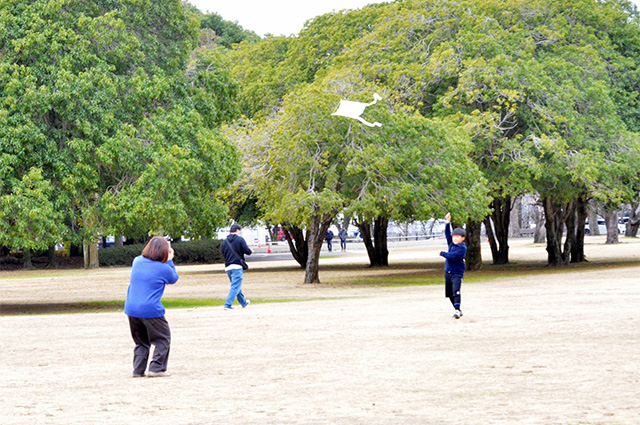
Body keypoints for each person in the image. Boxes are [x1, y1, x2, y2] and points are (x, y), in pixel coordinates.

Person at [124, 237, 179, 378]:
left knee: (141, 342)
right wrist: (170, 260)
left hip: (131, 308)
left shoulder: (137, 261)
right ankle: (157, 368)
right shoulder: (164, 268)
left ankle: (138, 370)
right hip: (150, 309)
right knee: (163, 338)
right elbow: (173, 278)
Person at [439, 213, 467, 319]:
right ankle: (457, 310)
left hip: (457, 273)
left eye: (457, 237)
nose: (455, 239)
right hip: (448, 272)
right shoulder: (451, 244)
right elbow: (447, 233)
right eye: (454, 236)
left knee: (456, 291)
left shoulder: (462, 248)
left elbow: (453, 256)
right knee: (449, 293)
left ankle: (457, 309)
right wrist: (447, 222)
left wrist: (443, 253)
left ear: (462, 238)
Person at [221, 223, 252, 310]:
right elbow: (247, 251)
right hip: (237, 266)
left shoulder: (224, 242)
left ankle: (243, 302)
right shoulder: (240, 240)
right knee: (235, 286)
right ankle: (228, 304)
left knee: (236, 285)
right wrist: (251, 251)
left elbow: (223, 253)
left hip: (228, 267)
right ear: (237, 230)